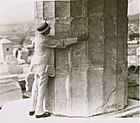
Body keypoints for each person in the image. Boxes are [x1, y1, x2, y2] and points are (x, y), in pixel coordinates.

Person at [28, 21, 88, 118]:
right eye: (48, 29)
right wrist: (78, 39)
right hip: (43, 67)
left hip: (36, 66)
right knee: (42, 89)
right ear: (45, 31)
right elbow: (61, 43)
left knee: (35, 88)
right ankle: (39, 112)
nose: (50, 29)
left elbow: (42, 41)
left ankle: (32, 109)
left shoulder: (38, 38)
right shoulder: (45, 40)